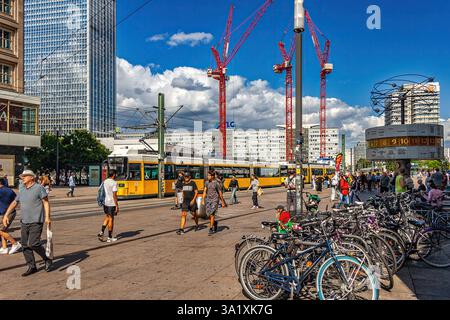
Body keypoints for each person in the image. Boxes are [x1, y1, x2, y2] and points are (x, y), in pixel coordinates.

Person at [3, 170, 52, 276]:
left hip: (36, 220)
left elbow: (46, 202)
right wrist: (6, 215)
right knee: (25, 245)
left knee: (34, 243)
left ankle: (47, 259)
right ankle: (32, 266)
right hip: (24, 221)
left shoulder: (39, 188)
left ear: (31, 177)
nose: (22, 178)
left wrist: (47, 217)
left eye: (25, 176)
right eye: (22, 176)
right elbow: (15, 202)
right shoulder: (22, 189)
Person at [0, 178, 22, 255]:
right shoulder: (9, 190)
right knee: (3, 230)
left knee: (1, 231)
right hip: (10, 212)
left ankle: (15, 243)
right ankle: (4, 247)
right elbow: (15, 199)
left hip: (5, 213)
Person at [97, 170, 120, 243]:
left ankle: (101, 232)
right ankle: (110, 237)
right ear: (114, 175)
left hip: (105, 203)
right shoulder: (114, 183)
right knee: (111, 219)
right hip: (111, 203)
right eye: (115, 174)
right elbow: (114, 195)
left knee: (107, 216)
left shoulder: (105, 181)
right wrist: (117, 206)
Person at [202, 171, 225, 235]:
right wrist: (203, 200)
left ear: (212, 176)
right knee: (208, 214)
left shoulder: (216, 183)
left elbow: (220, 193)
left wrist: (222, 202)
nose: (208, 177)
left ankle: (211, 228)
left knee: (212, 214)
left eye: (209, 175)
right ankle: (214, 222)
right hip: (208, 200)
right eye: (208, 175)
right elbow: (204, 191)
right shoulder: (206, 182)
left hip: (215, 200)